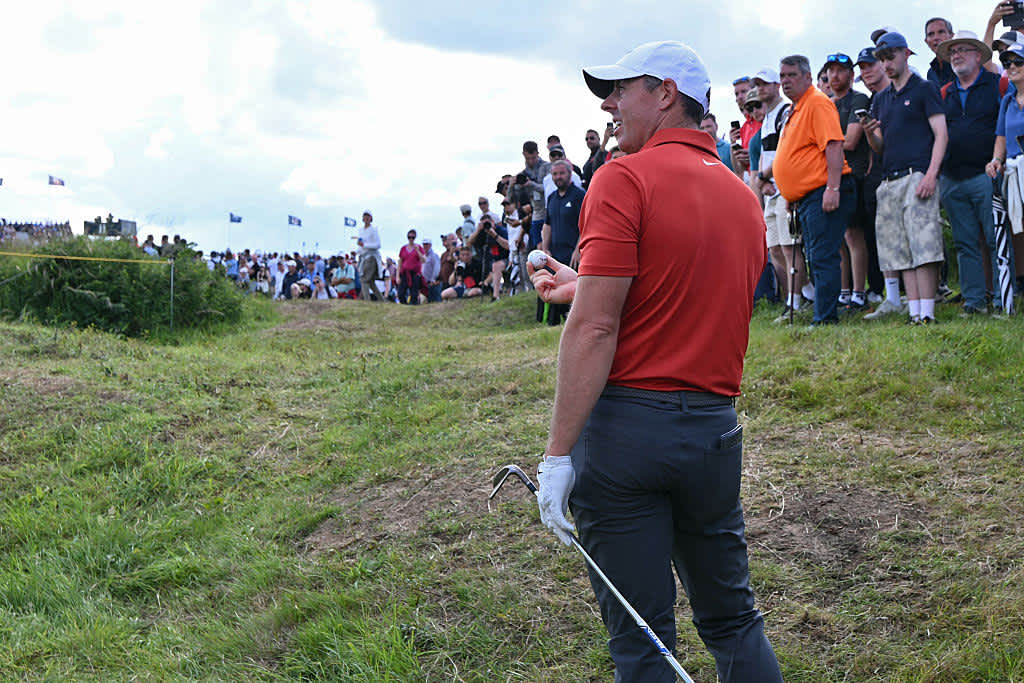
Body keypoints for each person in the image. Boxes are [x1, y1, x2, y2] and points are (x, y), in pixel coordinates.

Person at [531, 40, 783, 683]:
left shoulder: (623, 177)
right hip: (713, 431)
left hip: (625, 437)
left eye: (621, 89)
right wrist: (584, 284)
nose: (610, 104)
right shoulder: (742, 199)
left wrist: (558, 455)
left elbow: (595, 327)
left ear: (666, 94)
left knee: (644, 643)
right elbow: (684, 293)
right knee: (733, 620)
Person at [863, 32, 949, 324]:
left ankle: (927, 313)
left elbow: (941, 134)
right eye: (882, 59)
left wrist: (931, 174)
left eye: (890, 57)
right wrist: (870, 133)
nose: (886, 64)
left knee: (924, 248)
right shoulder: (881, 98)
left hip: (917, 175)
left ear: (905, 54)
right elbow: (880, 146)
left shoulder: (924, 89)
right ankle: (914, 312)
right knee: (900, 250)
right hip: (889, 179)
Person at [773, 54, 856, 326]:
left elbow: (833, 145)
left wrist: (832, 187)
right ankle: (823, 312)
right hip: (807, 197)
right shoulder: (796, 108)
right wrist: (792, 195)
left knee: (822, 256)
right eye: (782, 76)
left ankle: (825, 318)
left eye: (791, 75)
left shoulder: (817, 103)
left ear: (808, 77)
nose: (785, 81)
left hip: (825, 190)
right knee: (815, 256)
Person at [938, 31, 1002, 314]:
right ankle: (975, 302)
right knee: (965, 244)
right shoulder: (944, 92)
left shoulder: (997, 85)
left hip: (987, 174)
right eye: (953, 52)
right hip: (952, 177)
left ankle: (1003, 299)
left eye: (963, 50)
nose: (957, 56)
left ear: (979, 55)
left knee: (995, 239)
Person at [749, 67, 809, 319]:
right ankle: (791, 298)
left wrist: (765, 176)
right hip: (771, 189)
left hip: (785, 187)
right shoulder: (766, 119)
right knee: (775, 249)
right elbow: (767, 154)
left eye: (765, 84)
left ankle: (799, 299)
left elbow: (787, 150)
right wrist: (762, 181)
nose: (761, 88)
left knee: (789, 247)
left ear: (776, 86)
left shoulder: (785, 112)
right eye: (758, 84)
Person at [828, 52, 872, 310]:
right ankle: (843, 291)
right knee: (840, 238)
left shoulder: (859, 99)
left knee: (855, 235)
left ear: (851, 75)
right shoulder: (826, 104)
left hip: (855, 174)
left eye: (840, 70)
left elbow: (852, 140)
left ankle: (859, 291)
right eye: (831, 71)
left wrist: (828, 146)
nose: (835, 75)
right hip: (832, 175)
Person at [986, 41, 1024, 296]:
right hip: (1013, 172)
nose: (1011, 67)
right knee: (1018, 229)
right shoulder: (1008, 100)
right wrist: (996, 160)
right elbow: (1001, 136)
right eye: (1007, 63)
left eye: (1018, 62)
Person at [542, 159, 586, 324]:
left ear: (570, 174)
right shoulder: (552, 198)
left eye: (561, 173)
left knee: (575, 293)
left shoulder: (579, 195)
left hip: (574, 255)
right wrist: (545, 248)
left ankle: (576, 321)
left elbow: (586, 225)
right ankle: (554, 322)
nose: (558, 177)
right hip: (555, 255)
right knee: (556, 292)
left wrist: (578, 250)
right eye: (555, 174)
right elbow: (547, 225)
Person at [357, 210, 386, 302]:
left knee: (364, 279)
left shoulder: (374, 230)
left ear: (371, 218)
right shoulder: (361, 230)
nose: (366, 218)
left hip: (372, 257)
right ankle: (382, 300)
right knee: (370, 282)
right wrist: (357, 251)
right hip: (363, 257)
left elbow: (378, 245)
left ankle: (367, 301)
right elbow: (360, 245)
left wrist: (364, 245)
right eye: (364, 216)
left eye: (368, 216)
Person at [925, 17, 956, 88]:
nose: (936, 38)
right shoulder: (931, 73)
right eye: (931, 34)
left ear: (952, 36)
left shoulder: (962, 63)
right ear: (926, 41)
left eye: (941, 32)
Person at [397, 229, 426, 305]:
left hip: (415, 274)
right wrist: (397, 276)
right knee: (400, 293)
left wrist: (418, 251)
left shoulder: (419, 247)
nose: (411, 239)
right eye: (409, 237)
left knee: (414, 294)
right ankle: (404, 305)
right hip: (404, 273)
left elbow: (423, 260)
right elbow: (400, 262)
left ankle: (413, 306)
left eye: (413, 237)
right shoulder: (403, 248)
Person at [421, 237, 442, 302]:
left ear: (430, 245)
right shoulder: (423, 256)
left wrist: (433, 279)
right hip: (426, 284)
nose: (425, 246)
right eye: (424, 244)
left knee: (435, 301)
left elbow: (436, 269)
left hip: (433, 283)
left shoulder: (434, 256)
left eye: (427, 244)